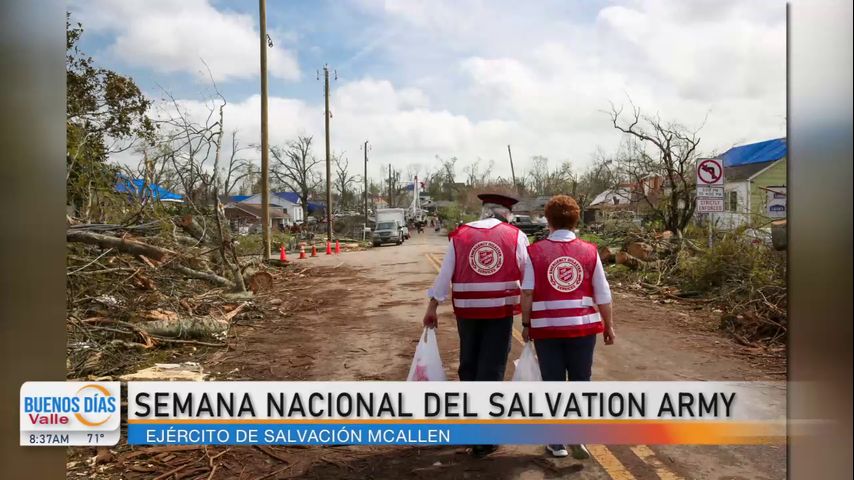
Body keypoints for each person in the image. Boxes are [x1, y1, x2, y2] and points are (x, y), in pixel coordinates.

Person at [423, 193, 529, 458]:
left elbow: (445, 274)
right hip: (499, 312)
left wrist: (432, 307)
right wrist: (532, 316)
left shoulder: (460, 235)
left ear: (484, 211)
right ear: (506, 214)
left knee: (469, 365)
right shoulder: (516, 236)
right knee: (491, 369)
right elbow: (529, 279)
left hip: (467, 312)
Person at [520, 195, 615, 460]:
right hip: (582, 329)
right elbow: (603, 293)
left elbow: (527, 292)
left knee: (552, 382)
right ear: (576, 220)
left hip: (547, 329)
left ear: (548, 220)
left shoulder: (535, 252)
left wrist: (526, 324)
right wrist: (608, 325)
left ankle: (557, 441)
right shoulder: (589, 251)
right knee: (580, 380)